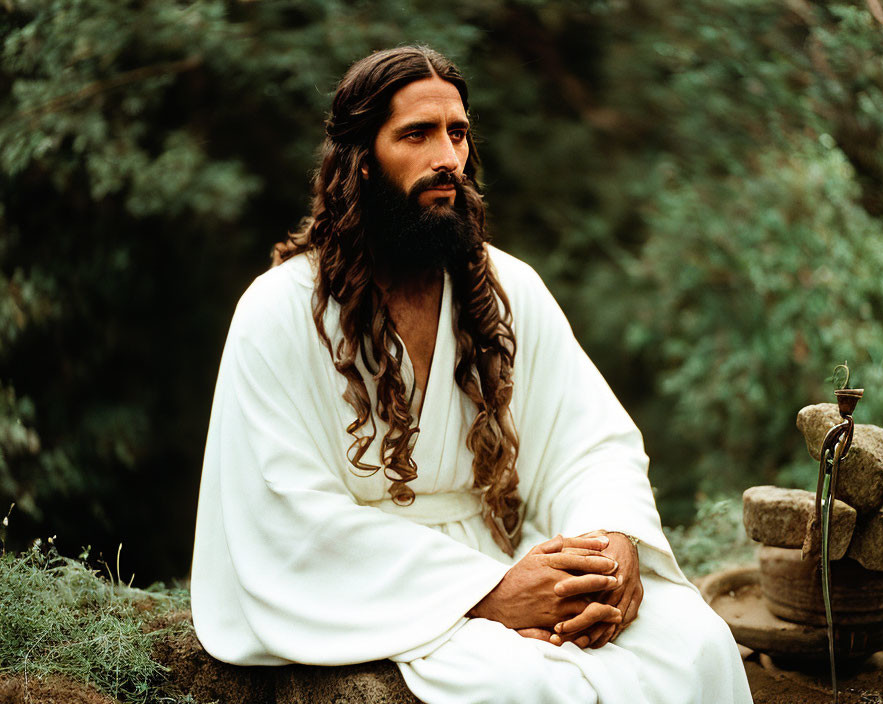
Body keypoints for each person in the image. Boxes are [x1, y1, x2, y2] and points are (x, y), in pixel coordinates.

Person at [190, 45, 753, 704]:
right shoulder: (280, 311)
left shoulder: (507, 289)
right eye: (417, 135)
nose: (447, 158)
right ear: (362, 162)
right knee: (528, 686)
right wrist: (487, 594)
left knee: (696, 644)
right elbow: (288, 513)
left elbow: (588, 444)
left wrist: (613, 545)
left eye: (457, 133)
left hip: (512, 557)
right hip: (382, 591)